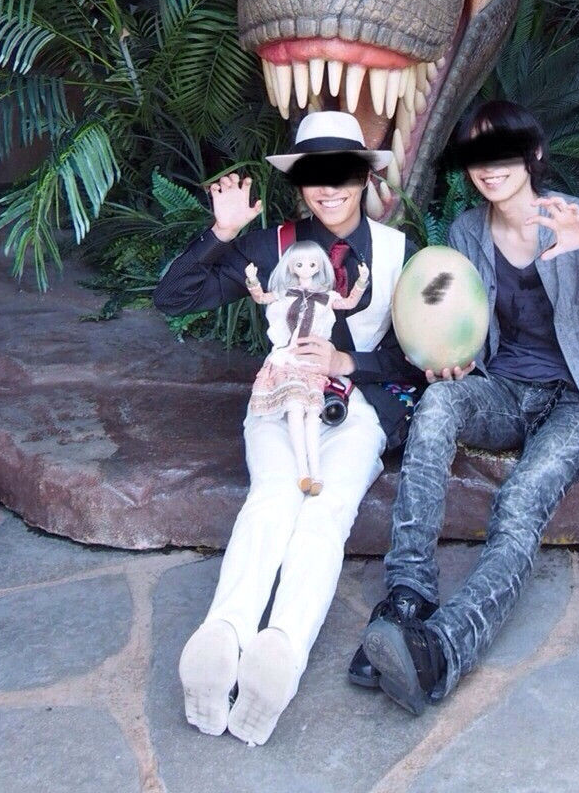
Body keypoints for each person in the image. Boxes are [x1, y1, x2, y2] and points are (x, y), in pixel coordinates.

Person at [353, 99, 579, 714]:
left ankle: (441, 650)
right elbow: (459, 322)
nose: (490, 167)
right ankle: (407, 596)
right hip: (505, 390)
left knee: (522, 498)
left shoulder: (578, 219)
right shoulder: (466, 234)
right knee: (438, 403)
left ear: (533, 154)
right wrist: (449, 358)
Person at [153, 111, 422, 745]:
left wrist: (347, 362)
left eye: (341, 174)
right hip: (279, 403)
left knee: (325, 511)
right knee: (274, 496)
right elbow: (174, 298)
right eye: (313, 176)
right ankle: (222, 638)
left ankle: (279, 651)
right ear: (299, 182)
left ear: (364, 177)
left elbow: (419, 357)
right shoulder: (271, 245)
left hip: (359, 408)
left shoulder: (398, 253)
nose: (328, 189)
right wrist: (222, 232)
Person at [245, 241, 369, 494]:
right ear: (291, 266)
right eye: (299, 264)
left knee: (313, 413)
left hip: (312, 359)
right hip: (288, 357)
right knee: (294, 409)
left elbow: (349, 303)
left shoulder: (326, 296)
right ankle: (302, 471)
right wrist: (252, 280)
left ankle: (317, 473)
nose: (305, 268)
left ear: (319, 266)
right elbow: (261, 298)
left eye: (312, 264)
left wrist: (362, 280)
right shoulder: (285, 293)